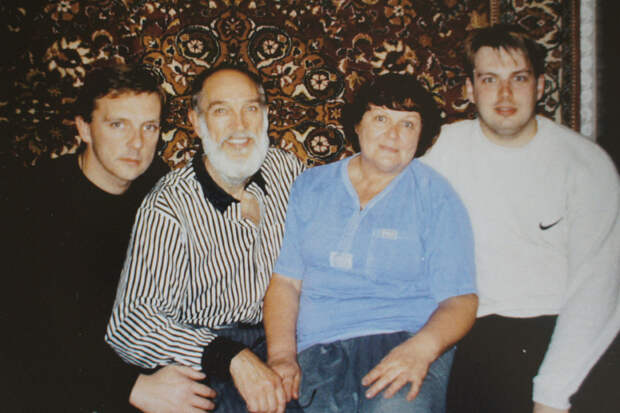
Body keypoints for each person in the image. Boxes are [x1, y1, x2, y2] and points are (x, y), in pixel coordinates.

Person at [422, 24, 620, 413]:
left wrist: (552, 394)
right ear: (469, 89)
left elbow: (597, 290)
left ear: (540, 86)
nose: (505, 94)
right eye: (489, 79)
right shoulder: (442, 150)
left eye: (519, 78)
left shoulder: (586, 165)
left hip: (568, 324)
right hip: (477, 328)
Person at [263, 74, 478, 413]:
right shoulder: (310, 186)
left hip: (406, 341)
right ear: (358, 125)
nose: (393, 134)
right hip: (318, 349)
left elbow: (460, 300)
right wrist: (281, 356)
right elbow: (286, 283)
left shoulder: (436, 196)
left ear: (421, 135)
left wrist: (420, 350)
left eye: (407, 124)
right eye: (380, 118)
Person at [105, 65, 306, 413]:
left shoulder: (287, 170)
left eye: (251, 108)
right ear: (196, 123)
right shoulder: (168, 206)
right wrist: (232, 357)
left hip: (290, 335)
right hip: (212, 349)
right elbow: (130, 324)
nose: (240, 125)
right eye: (221, 111)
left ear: (266, 116)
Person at [0, 64, 200, 412]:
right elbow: (29, 330)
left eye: (149, 127)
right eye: (118, 124)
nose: (136, 143)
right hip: (50, 379)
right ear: (84, 129)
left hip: (133, 363)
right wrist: (131, 387)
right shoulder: (32, 197)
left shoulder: (158, 186)